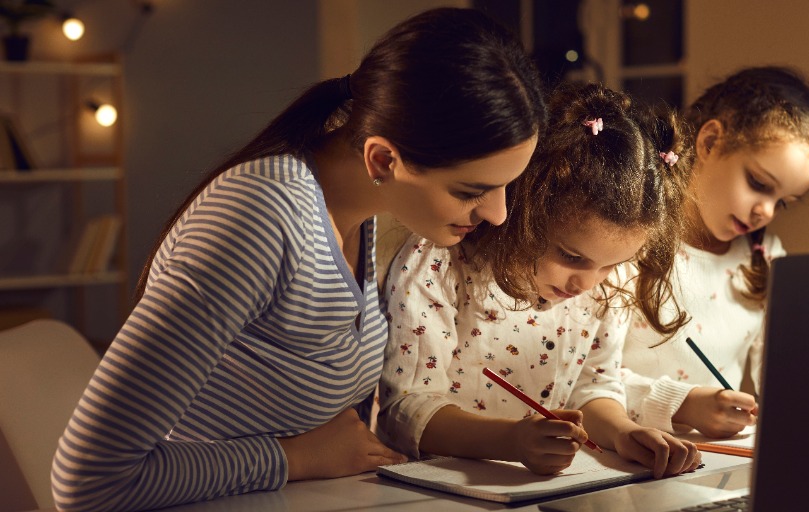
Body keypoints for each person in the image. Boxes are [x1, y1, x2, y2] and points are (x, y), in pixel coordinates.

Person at [50, 8, 546, 512]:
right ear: (382, 160)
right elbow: (88, 480)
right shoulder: (260, 218)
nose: (499, 214)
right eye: (471, 191)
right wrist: (294, 458)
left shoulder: (358, 209)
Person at [376, 81, 701, 479]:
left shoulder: (602, 284)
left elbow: (592, 387)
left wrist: (624, 433)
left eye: (609, 265)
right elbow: (407, 409)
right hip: (436, 491)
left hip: (539, 489)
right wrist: (512, 441)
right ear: (525, 208)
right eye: (571, 256)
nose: (587, 282)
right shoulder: (439, 263)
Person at [619, 66, 809, 438]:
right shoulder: (630, 241)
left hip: (715, 465)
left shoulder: (765, 259)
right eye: (759, 183)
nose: (767, 212)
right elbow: (588, 381)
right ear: (709, 143)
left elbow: (784, 378)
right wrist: (684, 405)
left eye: (783, 202)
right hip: (623, 462)